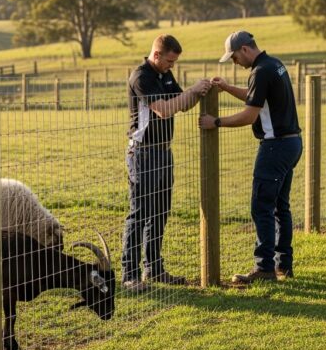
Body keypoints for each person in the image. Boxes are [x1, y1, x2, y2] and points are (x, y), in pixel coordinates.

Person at [199, 31, 302, 283]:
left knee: (261, 207)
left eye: (234, 57)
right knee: (280, 207)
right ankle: (283, 265)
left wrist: (216, 122)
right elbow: (254, 95)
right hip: (292, 143)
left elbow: (249, 116)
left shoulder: (260, 71)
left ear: (244, 49)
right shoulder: (273, 64)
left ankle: (264, 268)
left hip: (275, 147)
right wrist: (226, 87)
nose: (235, 62)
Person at [122, 35, 211, 292]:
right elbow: (164, 110)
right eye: (170, 61)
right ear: (157, 55)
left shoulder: (165, 75)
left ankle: (155, 269)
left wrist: (202, 91)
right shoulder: (142, 77)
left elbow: (181, 103)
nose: (172, 65)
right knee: (138, 214)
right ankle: (130, 275)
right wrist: (193, 91)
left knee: (160, 212)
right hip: (142, 154)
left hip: (163, 152)